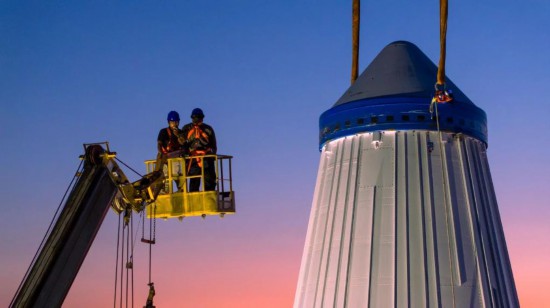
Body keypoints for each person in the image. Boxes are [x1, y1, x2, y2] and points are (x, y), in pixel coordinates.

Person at [181, 108, 217, 192]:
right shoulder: (187, 128)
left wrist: (211, 155)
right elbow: (182, 145)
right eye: (195, 118)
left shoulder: (208, 129)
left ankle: (209, 197)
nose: (197, 120)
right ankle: (194, 199)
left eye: (199, 118)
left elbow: (213, 145)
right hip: (193, 159)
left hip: (206, 158)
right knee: (194, 180)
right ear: (192, 118)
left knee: (210, 180)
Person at [155, 111, 185, 191]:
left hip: (176, 159)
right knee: (165, 179)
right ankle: (164, 192)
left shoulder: (181, 132)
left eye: (176, 122)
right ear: (169, 122)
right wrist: (161, 153)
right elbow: (159, 144)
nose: (174, 124)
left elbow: (183, 143)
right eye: (172, 122)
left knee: (179, 178)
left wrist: (178, 135)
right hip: (165, 159)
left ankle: (181, 191)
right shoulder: (163, 132)